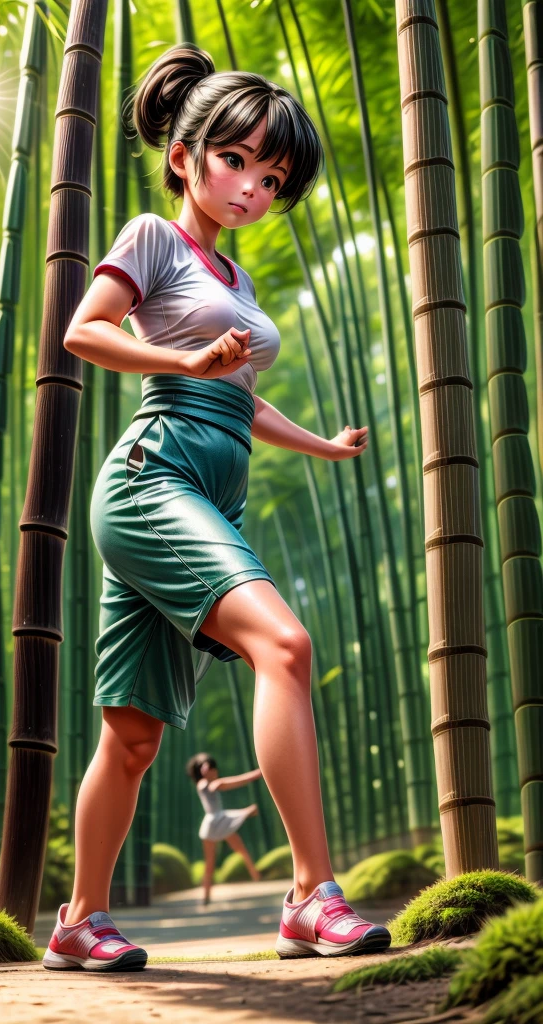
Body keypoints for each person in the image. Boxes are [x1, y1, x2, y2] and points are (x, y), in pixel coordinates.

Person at [43, 41, 390, 973]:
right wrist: (187, 361)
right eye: (234, 159)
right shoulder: (152, 238)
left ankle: (77, 920)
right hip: (152, 481)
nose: (250, 187)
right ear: (185, 155)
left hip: (204, 489)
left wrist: (321, 444)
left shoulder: (235, 280)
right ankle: (313, 897)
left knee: (132, 735)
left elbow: (241, 398)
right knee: (285, 644)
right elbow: (86, 329)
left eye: (271, 176)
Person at [186, 752, 262, 906]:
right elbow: (234, 782)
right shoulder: (205, 784)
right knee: (210, 863)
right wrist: (257, 774)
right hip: (215, 822)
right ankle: (206, 896)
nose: (212, 771)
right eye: (208, 768)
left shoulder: (212, 784)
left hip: (221, 821)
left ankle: (255, 874)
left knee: (239, 846)